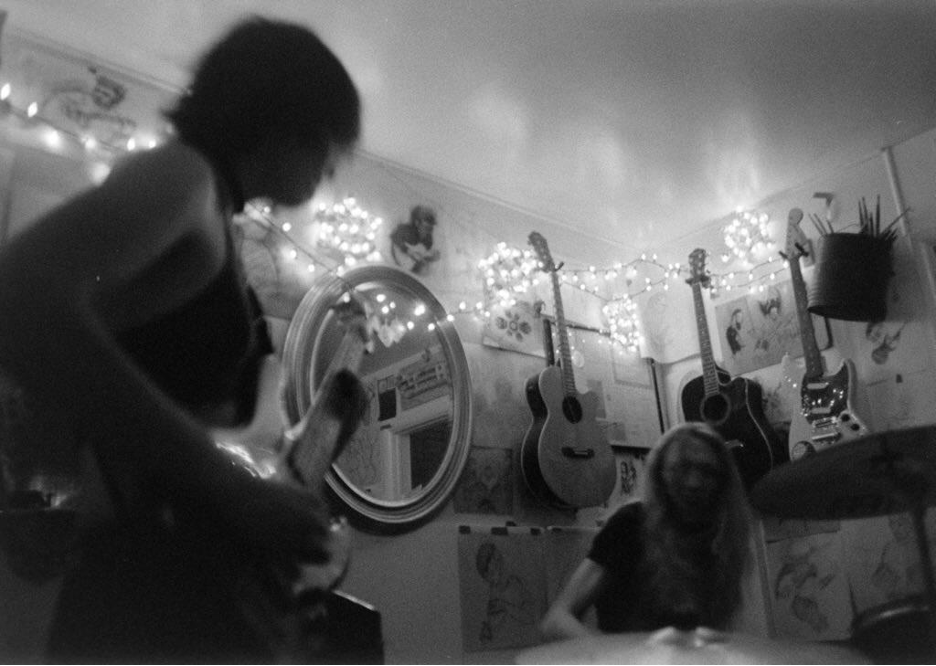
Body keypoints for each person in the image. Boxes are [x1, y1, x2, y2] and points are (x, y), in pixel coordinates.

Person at [0, 16, 365, 664]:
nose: (328, 169)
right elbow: (23, 294)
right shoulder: (184, 177)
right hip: (139, 599)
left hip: (164, 592)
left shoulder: (211, 208)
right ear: (278, 120)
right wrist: (235, 493)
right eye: (323, 142)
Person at [539, 422, 752, 641]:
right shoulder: (631, 524)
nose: (694, 483)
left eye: (707, 472)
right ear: (660, 474)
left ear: (723, 481)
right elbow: (557, 620)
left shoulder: (722, 536)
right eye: (682, 468)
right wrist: (618, 658)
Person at [390, 204, 440, 274]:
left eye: (430, 228)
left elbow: (424, 255)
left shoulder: (428, 239)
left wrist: (431, 258)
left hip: (410, 270)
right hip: (394, 263)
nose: (428, 231)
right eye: (425, 227)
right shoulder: (406, 230)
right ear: (417, 223)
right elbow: (394, 237)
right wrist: (409, 252)